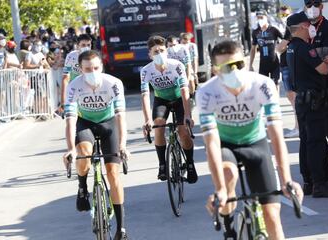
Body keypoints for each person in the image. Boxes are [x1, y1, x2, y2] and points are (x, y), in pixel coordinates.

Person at [197, 40, 303, 239]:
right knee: (228, 173)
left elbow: (276, 134)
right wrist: (219, 189)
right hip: (226, 144)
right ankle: (229, 228)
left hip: (256, 143)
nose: (235, 71)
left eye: (239, 65)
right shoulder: (206, 93)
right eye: (228, 67)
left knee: (272, 217)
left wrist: (286, 179)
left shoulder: (262, 85)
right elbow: (211, 142)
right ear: (215, 71)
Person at [62, 50, 129, 240]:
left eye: (96, 68)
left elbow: (120, 117)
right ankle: (82, 187)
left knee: (113, 174)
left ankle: (121, 229)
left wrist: (123, 145)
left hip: (109, 124)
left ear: (102, 67)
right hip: (85, 124)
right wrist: (70, 149)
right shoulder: (74, 86)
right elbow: (70, 120)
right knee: (83, 152)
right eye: (87, 69)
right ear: (81, 70)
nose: (92, 71)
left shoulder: (114, 83)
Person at [286, 12, 328, 197]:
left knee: (306, 141)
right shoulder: (303, 48)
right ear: (301, 27)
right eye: (308, 25)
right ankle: (319, 183)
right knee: (316, 142)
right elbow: (323, 70)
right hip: (313, 101)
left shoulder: (291, 48)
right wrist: (326, 60)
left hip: (303, 100)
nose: (311, 28)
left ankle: (309, 181)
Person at [141, 36, 198, 183]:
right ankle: (162, 164)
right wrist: (147, 119)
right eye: (155, 52)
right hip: (162, 101)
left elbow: (185, 91)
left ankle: (190, 163)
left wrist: (187, 115)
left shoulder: (176, 65)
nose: (159, 53)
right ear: (150, 54)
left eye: (161, 50)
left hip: (179, 99)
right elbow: (145, 96)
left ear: (167, 51)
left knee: (183, 131)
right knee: (158, 125)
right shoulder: (146, 71)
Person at [304, 0, 328, 188]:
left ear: (322, 6)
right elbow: (286, 50)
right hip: (310, 88)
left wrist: (307, 54)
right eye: (308, 4)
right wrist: (313, 55)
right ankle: (320, 175)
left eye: (315, 4)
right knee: (316, 134)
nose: (312, 7)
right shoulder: (303, 25)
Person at [276, 9, 300, 138]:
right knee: (291, 97)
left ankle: (298, 127)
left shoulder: (291, 29)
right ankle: (298, 126)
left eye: (286, 14)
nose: (284, 16)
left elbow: (279, 48)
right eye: (282, 14)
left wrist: (281, 46)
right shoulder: (284, 27)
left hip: (289, 66)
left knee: (294, 98)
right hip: (285, 64)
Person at [249, 10, 284, 90]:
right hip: (263, 64)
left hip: (274, 62)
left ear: (266, 17)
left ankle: (276, 102)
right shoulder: (255, 32)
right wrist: (250, 65)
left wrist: (283, 52)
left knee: (275, 84)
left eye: (261, 17)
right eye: (258, 18)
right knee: (264, 87)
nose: (259, 20)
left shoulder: (274, 29)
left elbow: (286, 40)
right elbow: (253, 49)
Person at [60, 34, 92, 111]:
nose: (86, 47)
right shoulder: (71, 56)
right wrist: (63, 100)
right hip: (74, 90)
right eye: (83, 45)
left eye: (88, 45)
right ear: (78, 46)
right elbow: (65, 77)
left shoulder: (94, 57)